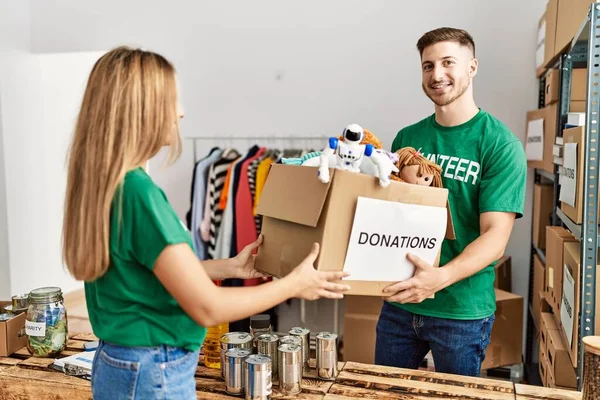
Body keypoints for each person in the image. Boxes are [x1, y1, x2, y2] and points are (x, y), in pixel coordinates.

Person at [61, 46, 351, 399]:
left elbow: (144, 272)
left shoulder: (107, 183)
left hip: (120, 362)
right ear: (142, 110)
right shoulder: (138, 193)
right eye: (172, 101)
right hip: (153, 372)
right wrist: (293, 285)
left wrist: (228, 265)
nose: (180, 113)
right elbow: (207, 307)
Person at [374, 27, 527, 376]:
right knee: (383, 392)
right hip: (401, 302)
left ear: (471, 67)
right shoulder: (408, 138)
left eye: (447, 63)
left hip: (460, 311)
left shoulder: (499, 144)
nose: (437, 74)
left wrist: (439, 278)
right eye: (428, 66)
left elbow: (495, 236)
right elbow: (391, 216)